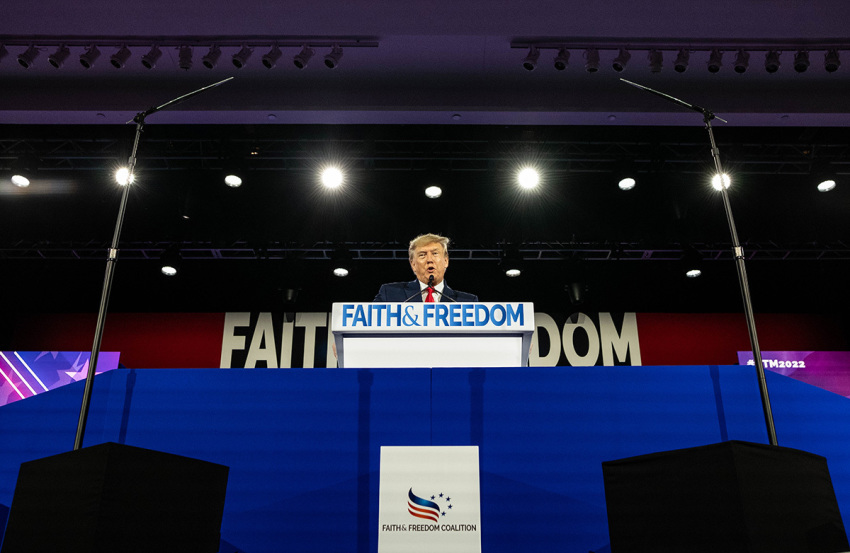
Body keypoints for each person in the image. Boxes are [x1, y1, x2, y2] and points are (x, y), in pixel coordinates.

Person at [373, 233, 478, 302]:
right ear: (413, 264)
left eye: (435, 253)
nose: (429, 260)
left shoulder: (466, 302)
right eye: (422, 255)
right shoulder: (390, 294)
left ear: (446, 261)